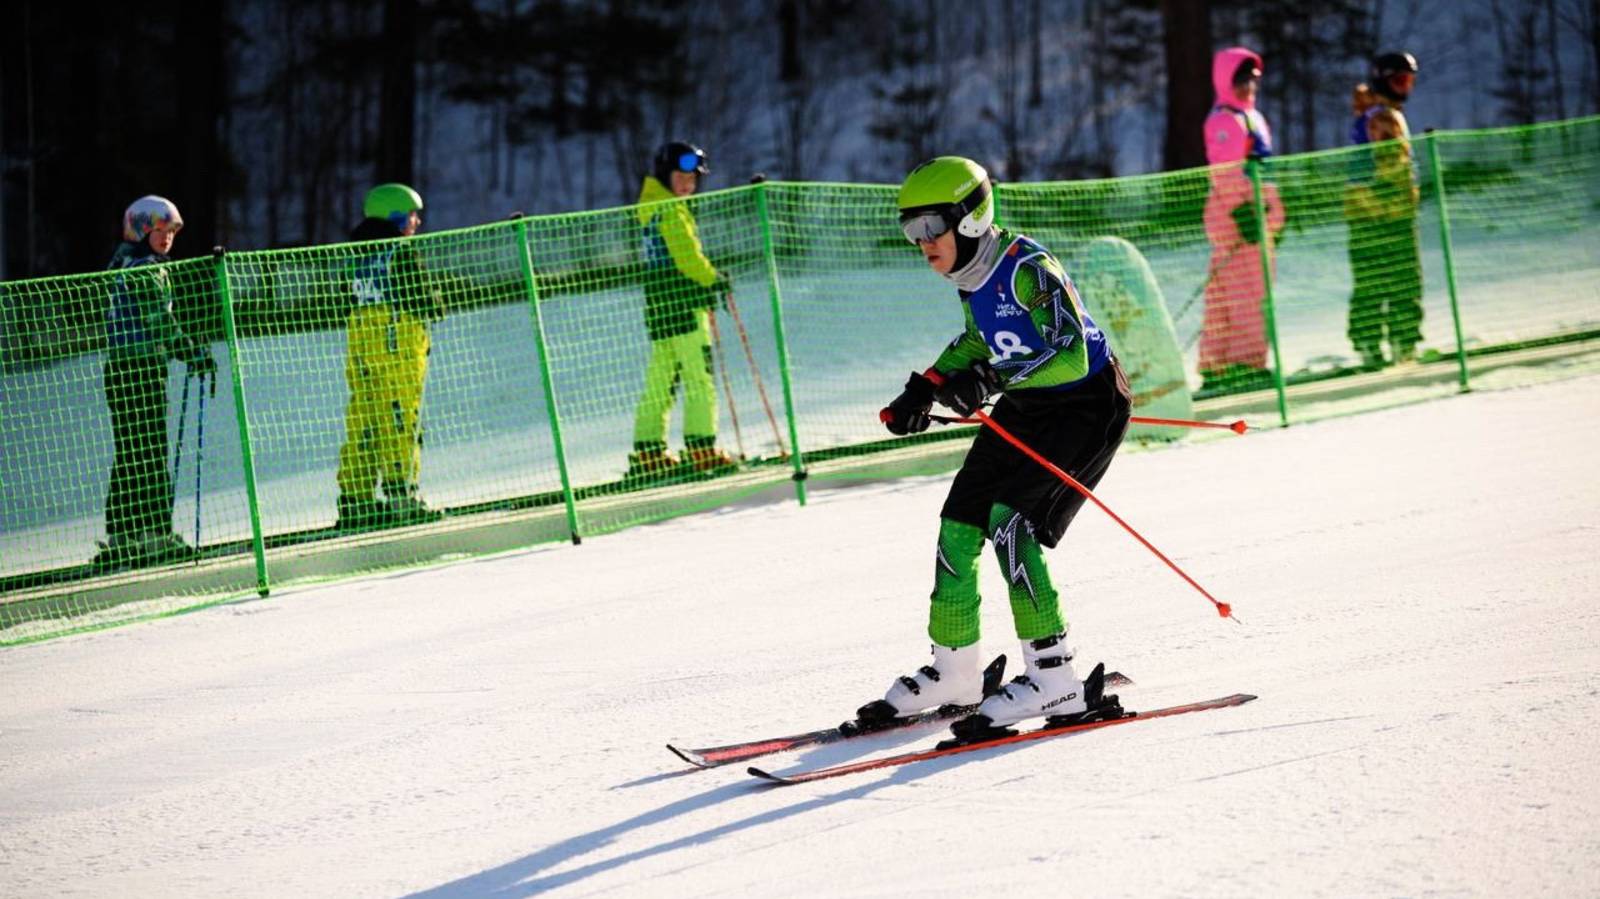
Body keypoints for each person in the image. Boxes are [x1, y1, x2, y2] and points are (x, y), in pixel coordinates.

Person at [868, 157, 1133, 739]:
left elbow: (1072, 351)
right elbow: (978, 339)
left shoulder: (1026, 267)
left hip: (1085, 407)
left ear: (969, 217)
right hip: (1028, 404)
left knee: (1010, 523)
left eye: (930, 227)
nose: (922, 244)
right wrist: (928, 384)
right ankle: (957, 670)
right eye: (910, 232)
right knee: (959, 523)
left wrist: (988, 378)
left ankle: (1055, 676)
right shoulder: (972, 277)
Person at [95, 195, 215, 568]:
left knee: (132, 450)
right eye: (159, 230)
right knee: (148, 450)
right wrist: (192, 351)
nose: (166, 238)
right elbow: (157, 321)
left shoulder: (122, 262)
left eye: (172, 231)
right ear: (142, 230)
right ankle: (153, 533)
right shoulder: (145, 268)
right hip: (141, 368)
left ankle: (124, 534)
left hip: (120, 368)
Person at [335, 182, 445, 530]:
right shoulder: (400, 252)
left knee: (364, 420)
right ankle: (402, 495)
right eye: (413, 216)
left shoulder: (358, 257)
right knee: (400, 418)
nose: (417, 224)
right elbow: (424, 298)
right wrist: (437, 301)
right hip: (398, 347)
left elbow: (343, 300)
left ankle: (356, 500)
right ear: (396, 218)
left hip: (363, 351)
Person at [627, 140, 736, 479]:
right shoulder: (671, 211)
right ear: (665, 174)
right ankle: (701, 448)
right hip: (685, 305)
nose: (688, 185)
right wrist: (713, 280)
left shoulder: (651, 207)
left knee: (661, 379)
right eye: (681, 177)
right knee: (699, 378)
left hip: (659, 308)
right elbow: (687, 256)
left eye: (693, 180)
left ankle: (648, 451)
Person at [1198, 46, 1286, 394]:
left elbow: (1262, 170)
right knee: (1245, 294)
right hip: (1239, 220)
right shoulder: (1224, 121)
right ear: (1225, 81)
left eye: (1254, 79)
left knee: (1228, 290)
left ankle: (1217, 363)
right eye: (1242, 79)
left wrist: (1275, 213)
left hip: (1256, 215)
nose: (1249, 86)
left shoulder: (1252, 117)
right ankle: (1243, 363)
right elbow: (1225, 172)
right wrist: (1242, 212)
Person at [1346, 51, 1423, 369]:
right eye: (1399, 80)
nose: (1405, 87)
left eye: (1409, 80)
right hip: (1386, 215)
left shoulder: (1373, 113)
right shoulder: (1383, 118)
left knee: (1372, 280)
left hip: (1366, 214)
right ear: (1383, 82)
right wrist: (1411, 188)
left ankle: (1370, 341)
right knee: (1401, 279)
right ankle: (1401, 342)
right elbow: (1392, 166)